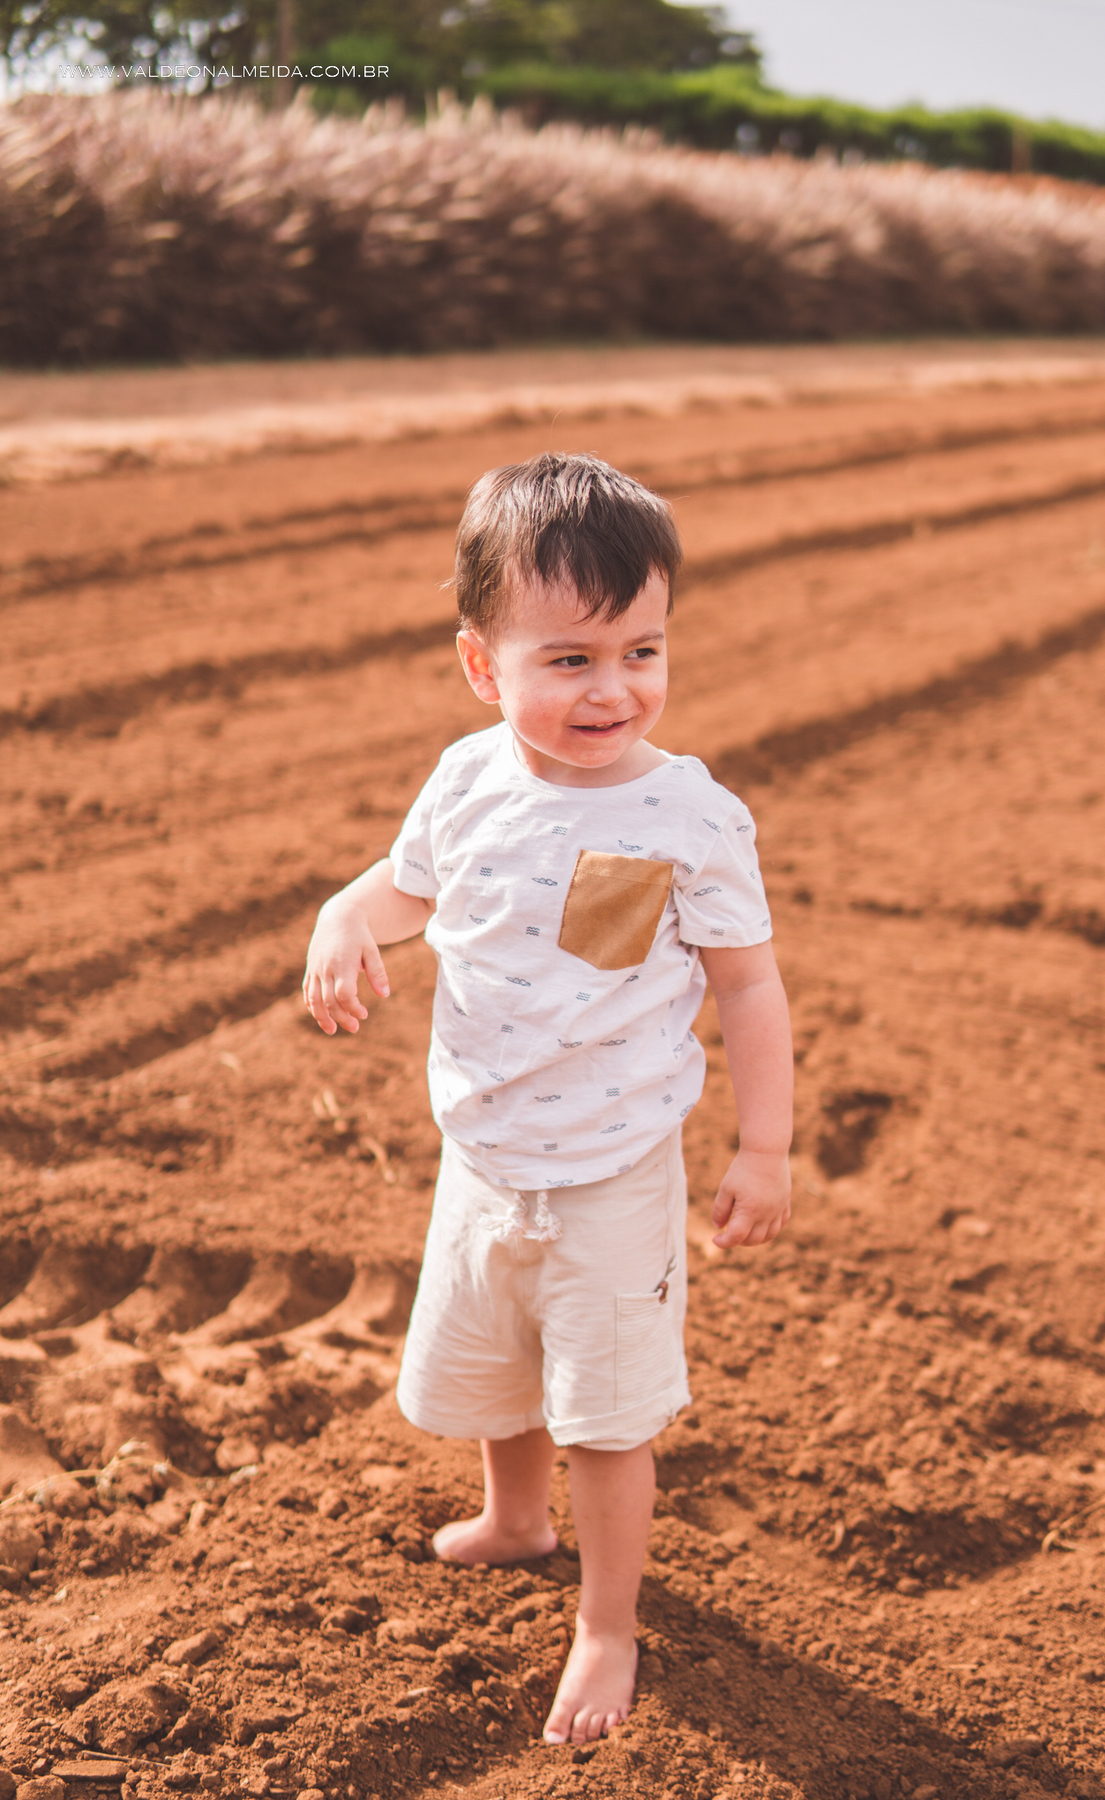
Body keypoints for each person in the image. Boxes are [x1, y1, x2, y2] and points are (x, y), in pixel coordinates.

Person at [302, 452, 793, 1746]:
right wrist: (346, 918)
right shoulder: (466, 780)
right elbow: (404, 890)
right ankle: (515, 1523)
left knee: (605, 1414)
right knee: (498, 1366)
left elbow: (748, 988)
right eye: (569, 659)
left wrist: (767, 1145)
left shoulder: (690, 815)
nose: (613, 688)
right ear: (484, 665)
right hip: (482, 1152)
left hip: (616, 1172)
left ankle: (608, 1622)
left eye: (643, 650)